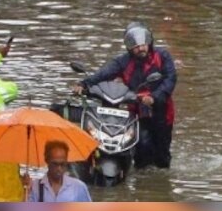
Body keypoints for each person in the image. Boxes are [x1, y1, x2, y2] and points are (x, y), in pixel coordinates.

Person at [72, 22, 176, 169]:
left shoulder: (162, 56)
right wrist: (84, 84)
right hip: (137, 111)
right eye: (134, 45)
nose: (140, 48)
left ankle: (159, 180)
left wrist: (154, 97)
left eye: (142, 43)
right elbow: (104, 73)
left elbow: (170, 79)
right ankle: (140, 178)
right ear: (128, 46)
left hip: (161, 111)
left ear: (149, 41)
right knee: (141, 147)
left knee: (162, 153)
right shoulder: (123, 62)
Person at [26, 140, 92, 202]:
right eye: (55, 164)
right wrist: (24, 191)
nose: (59, 168)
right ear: (47, 160)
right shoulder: (35, 187)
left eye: (62, 164)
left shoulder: (78, 187)